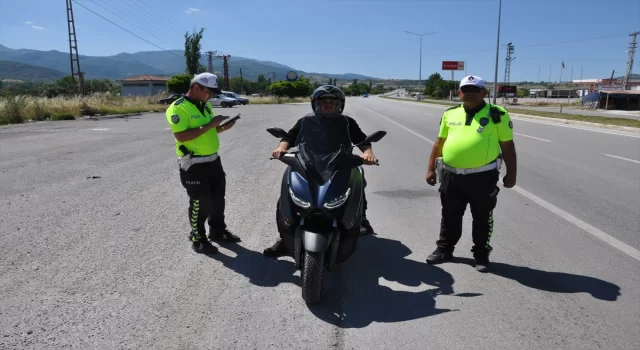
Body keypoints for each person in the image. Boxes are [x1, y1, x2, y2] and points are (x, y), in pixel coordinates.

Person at [263, 85, 378, 257]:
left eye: (333, 102)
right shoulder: (305, 121)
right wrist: (281, 148)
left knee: (358, 178)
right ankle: (284, 239)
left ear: (340, 105)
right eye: (324, 101)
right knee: (287, 195)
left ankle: (361, 219)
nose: (328, 104)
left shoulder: (347, 122)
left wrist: (368, 153)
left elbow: (362, 140)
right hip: (308, 162)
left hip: (341, 162)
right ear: (315, 104)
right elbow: (289, 137)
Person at [425, 75, 517, 272]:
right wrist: (430, 168)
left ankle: (481, 254)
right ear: (459, 93)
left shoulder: (497, 114)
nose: (470, 94)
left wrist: (512, 173)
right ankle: (445, 250)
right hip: (451, 175)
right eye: (466, 90)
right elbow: (439, 143)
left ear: (485, 93)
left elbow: (507, 147)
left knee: (482, 217)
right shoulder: (450, 114)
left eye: (475, 90)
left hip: (483, 177)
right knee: (449, 214)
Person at [166, 72, 242, 254]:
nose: (211, 96)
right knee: (200, 203)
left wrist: (221, 128)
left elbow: (207, 132)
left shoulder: (205, 105)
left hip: (213, 160)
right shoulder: (178, 108)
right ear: (196, 88)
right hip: (194, 163)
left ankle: (217, 231)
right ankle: (197, 237)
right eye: (209, 92)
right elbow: (182, 136)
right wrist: (211, 124)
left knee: (217, 200)